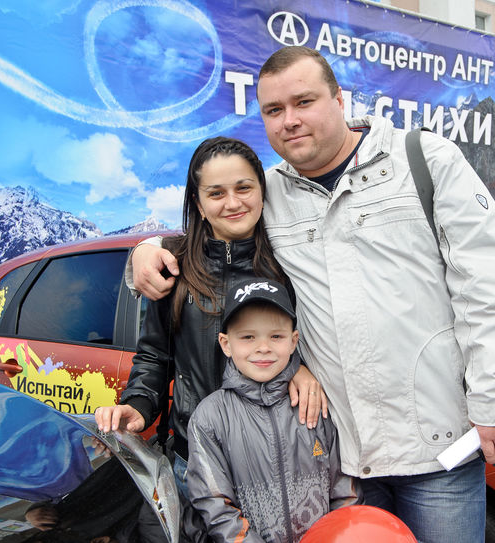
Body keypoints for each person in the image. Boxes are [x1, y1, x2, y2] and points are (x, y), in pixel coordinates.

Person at [129, 46, 495, 543]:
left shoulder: (420, 161)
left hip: (437, 444)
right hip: (343, 457)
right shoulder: (275, 194)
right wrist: (149, 249)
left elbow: (491, 285)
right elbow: (220, 233)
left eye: (304, 101)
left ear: (340, 100)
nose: (290, 119)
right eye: (273, 110)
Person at [94, 137, 327, 492]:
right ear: (199, 204)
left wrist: (301, 366)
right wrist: (138, 406)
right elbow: (155, 355)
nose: (233, 203)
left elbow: (316, 337)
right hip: (194, 461)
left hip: (277, 463)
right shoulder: (174, 267)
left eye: (244, 188)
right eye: (216, 193)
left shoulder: (289, 264)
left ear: (262, 193)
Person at [186, 277, 359, 543]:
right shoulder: (210, 418)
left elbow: (344, 492)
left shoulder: (314, 406)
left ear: (294, 340)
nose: (263, 347)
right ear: (226, 344)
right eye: (248, 337)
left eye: (276, 336)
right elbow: (215, 508)